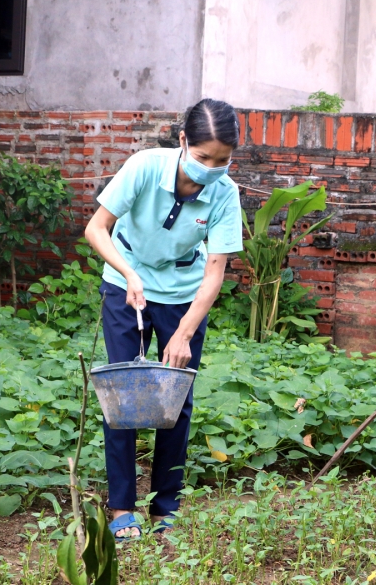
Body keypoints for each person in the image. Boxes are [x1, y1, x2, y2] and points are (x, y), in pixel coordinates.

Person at [84, 99, 243, 540]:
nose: (212, 167)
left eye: (224, 160)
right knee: (124, 396)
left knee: (176, 399)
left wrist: (185, 334)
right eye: (203, 157)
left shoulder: (225, 193)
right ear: (182, 141)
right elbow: (97, 228)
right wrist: (128, 273)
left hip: (182, 298)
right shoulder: (145, 167)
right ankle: (120, 509)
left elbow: (215, 271)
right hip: (125, 285)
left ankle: (165, 507)